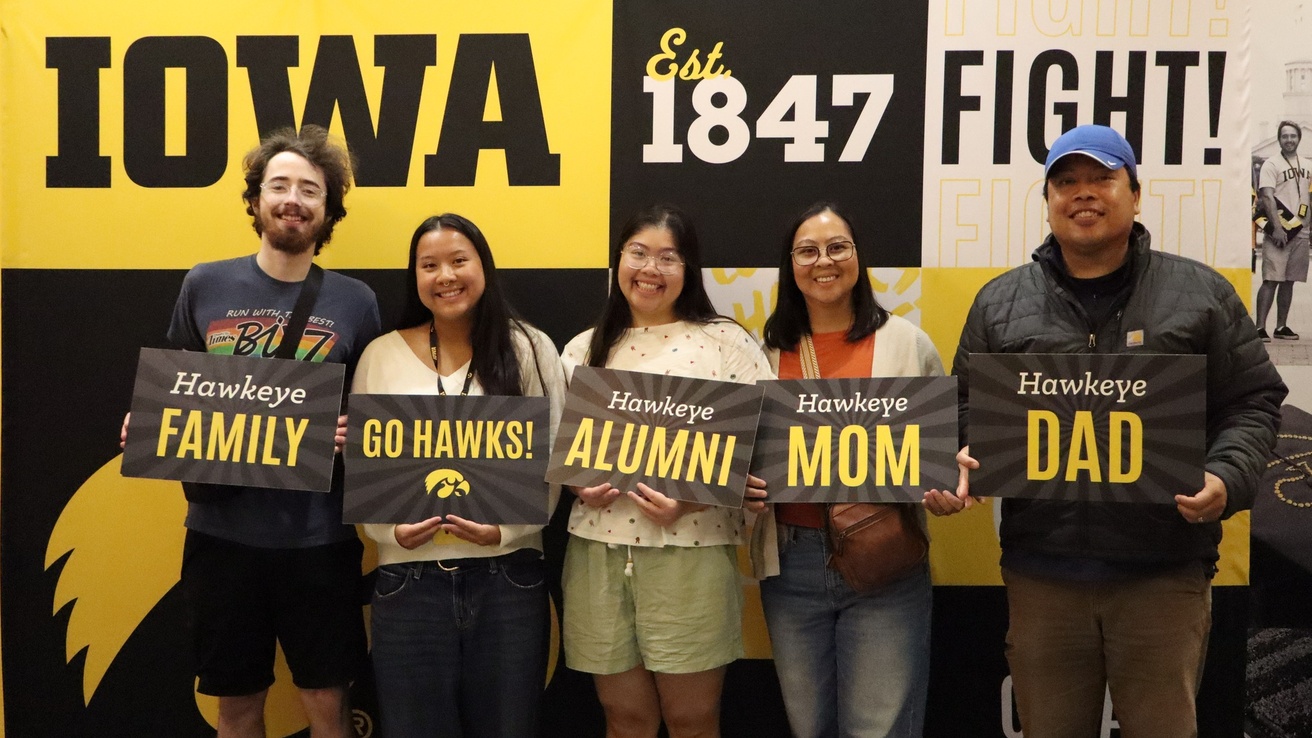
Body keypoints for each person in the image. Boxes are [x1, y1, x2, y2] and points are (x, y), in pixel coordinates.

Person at [930, 124, 1286, 738]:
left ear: (1136, 194)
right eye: (1066, 182)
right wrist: (969, 458)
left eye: (1102, 177)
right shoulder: (999, 303)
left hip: (1162, 574)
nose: (1083, 193)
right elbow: (966, 408)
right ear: (1048, 201)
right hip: (1042, 574)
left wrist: (1226, 477)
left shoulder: (1200, 295)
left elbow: (1253, 401)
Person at [123, 125, 381, 738]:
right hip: (221, 541)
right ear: (257, 199)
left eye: (310, 190)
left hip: (320, 541)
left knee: (328, 705)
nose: (293, 199)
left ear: (328, 209)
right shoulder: (204, 284)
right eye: (280, 185)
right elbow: (178, 388)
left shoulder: (356, 301)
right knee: (235, 708)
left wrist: (353, 433)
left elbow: (375, 411)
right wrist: (153, 426)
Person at [559, 204, 771, 738]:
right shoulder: (583, 349)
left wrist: (696, 496)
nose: (649, 269)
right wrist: (574, 479)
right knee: (624, 717)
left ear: (688, 269)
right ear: (619, 260)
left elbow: (765, 444)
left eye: (667, 258)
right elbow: (552, 449)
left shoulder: (725, 342)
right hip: (597, 553)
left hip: (691, 553)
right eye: (638, 253)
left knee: (692, 718)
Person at [350, 213, 566, 738]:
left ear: (483, 267)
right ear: (415, 277)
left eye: (458, 261)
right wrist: (389, 533)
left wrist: (506, 531)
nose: (445, 275)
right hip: (407, 584)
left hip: (509, 579)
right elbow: (361, 472)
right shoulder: (380, 355)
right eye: (429, 265)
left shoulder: (531, 348)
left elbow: (557, 458)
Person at [752, 202, 944, 738]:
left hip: (884, 555)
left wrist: (945, 485)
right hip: (790, 563)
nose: (824, 261)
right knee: (808, 726)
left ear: (858, 257)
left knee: (880, 727)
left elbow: (940, 446)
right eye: (808, 250)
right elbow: (741, 451)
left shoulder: (908, 344)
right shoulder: (762, 355)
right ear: (790, 265)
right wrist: (740, 486)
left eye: (838, 247)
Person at [1256, 120, 1311, 341]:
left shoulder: (1307, 164)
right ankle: (1259, 327)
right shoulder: (1271, 164)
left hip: (1301, 231)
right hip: (1279, 232)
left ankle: (1281, 326)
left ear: (1299, 138)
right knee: (1271, 279)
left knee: (1289, 280)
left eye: (1293, 136)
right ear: (1279, 139)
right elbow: (1267, 196)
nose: (1289, 140)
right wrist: (1277, 229)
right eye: (1285, 136)